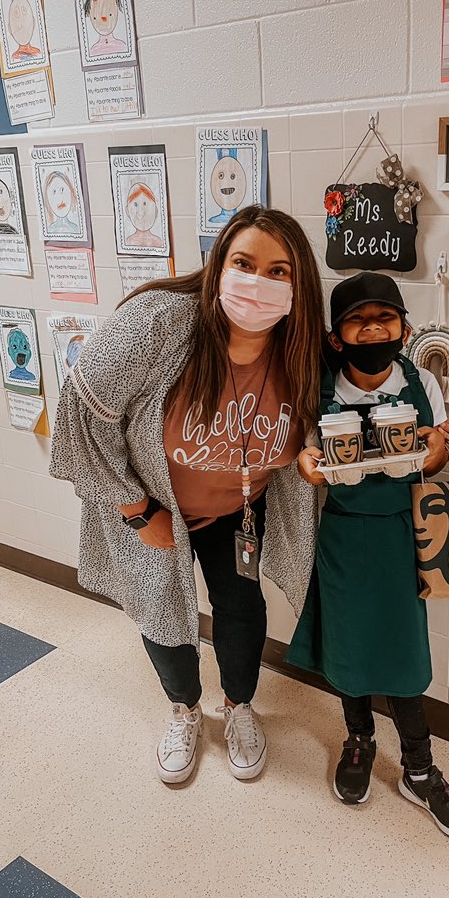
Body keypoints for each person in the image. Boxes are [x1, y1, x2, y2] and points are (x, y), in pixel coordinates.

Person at [50, 206, 323, 785]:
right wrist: (134, 507)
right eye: (244, 263)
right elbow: (80, 411)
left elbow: (346, 408)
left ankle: (240, 707)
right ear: (217, 266)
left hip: (240, 510)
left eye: (279, 271)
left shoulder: (301, 352)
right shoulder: (161, 326)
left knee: (242, 609)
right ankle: (183, 709)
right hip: (154, 510)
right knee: (162, 609)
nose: (259, 283)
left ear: (299, 286)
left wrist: (431, 434)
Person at [288, 271, 449, 840]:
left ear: (403, 327)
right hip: (343, 534)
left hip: (401, 533)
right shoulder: (317, 385)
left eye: (384, 319)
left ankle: (419, 768)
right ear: (335, 335)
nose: (373, 329)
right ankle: (359, 740)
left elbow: (433, 463)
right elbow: (307, 453)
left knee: (403, 653)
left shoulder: (421, 381)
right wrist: (306, 464)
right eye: (357, 320)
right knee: (348, 646)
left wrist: (440, 450)